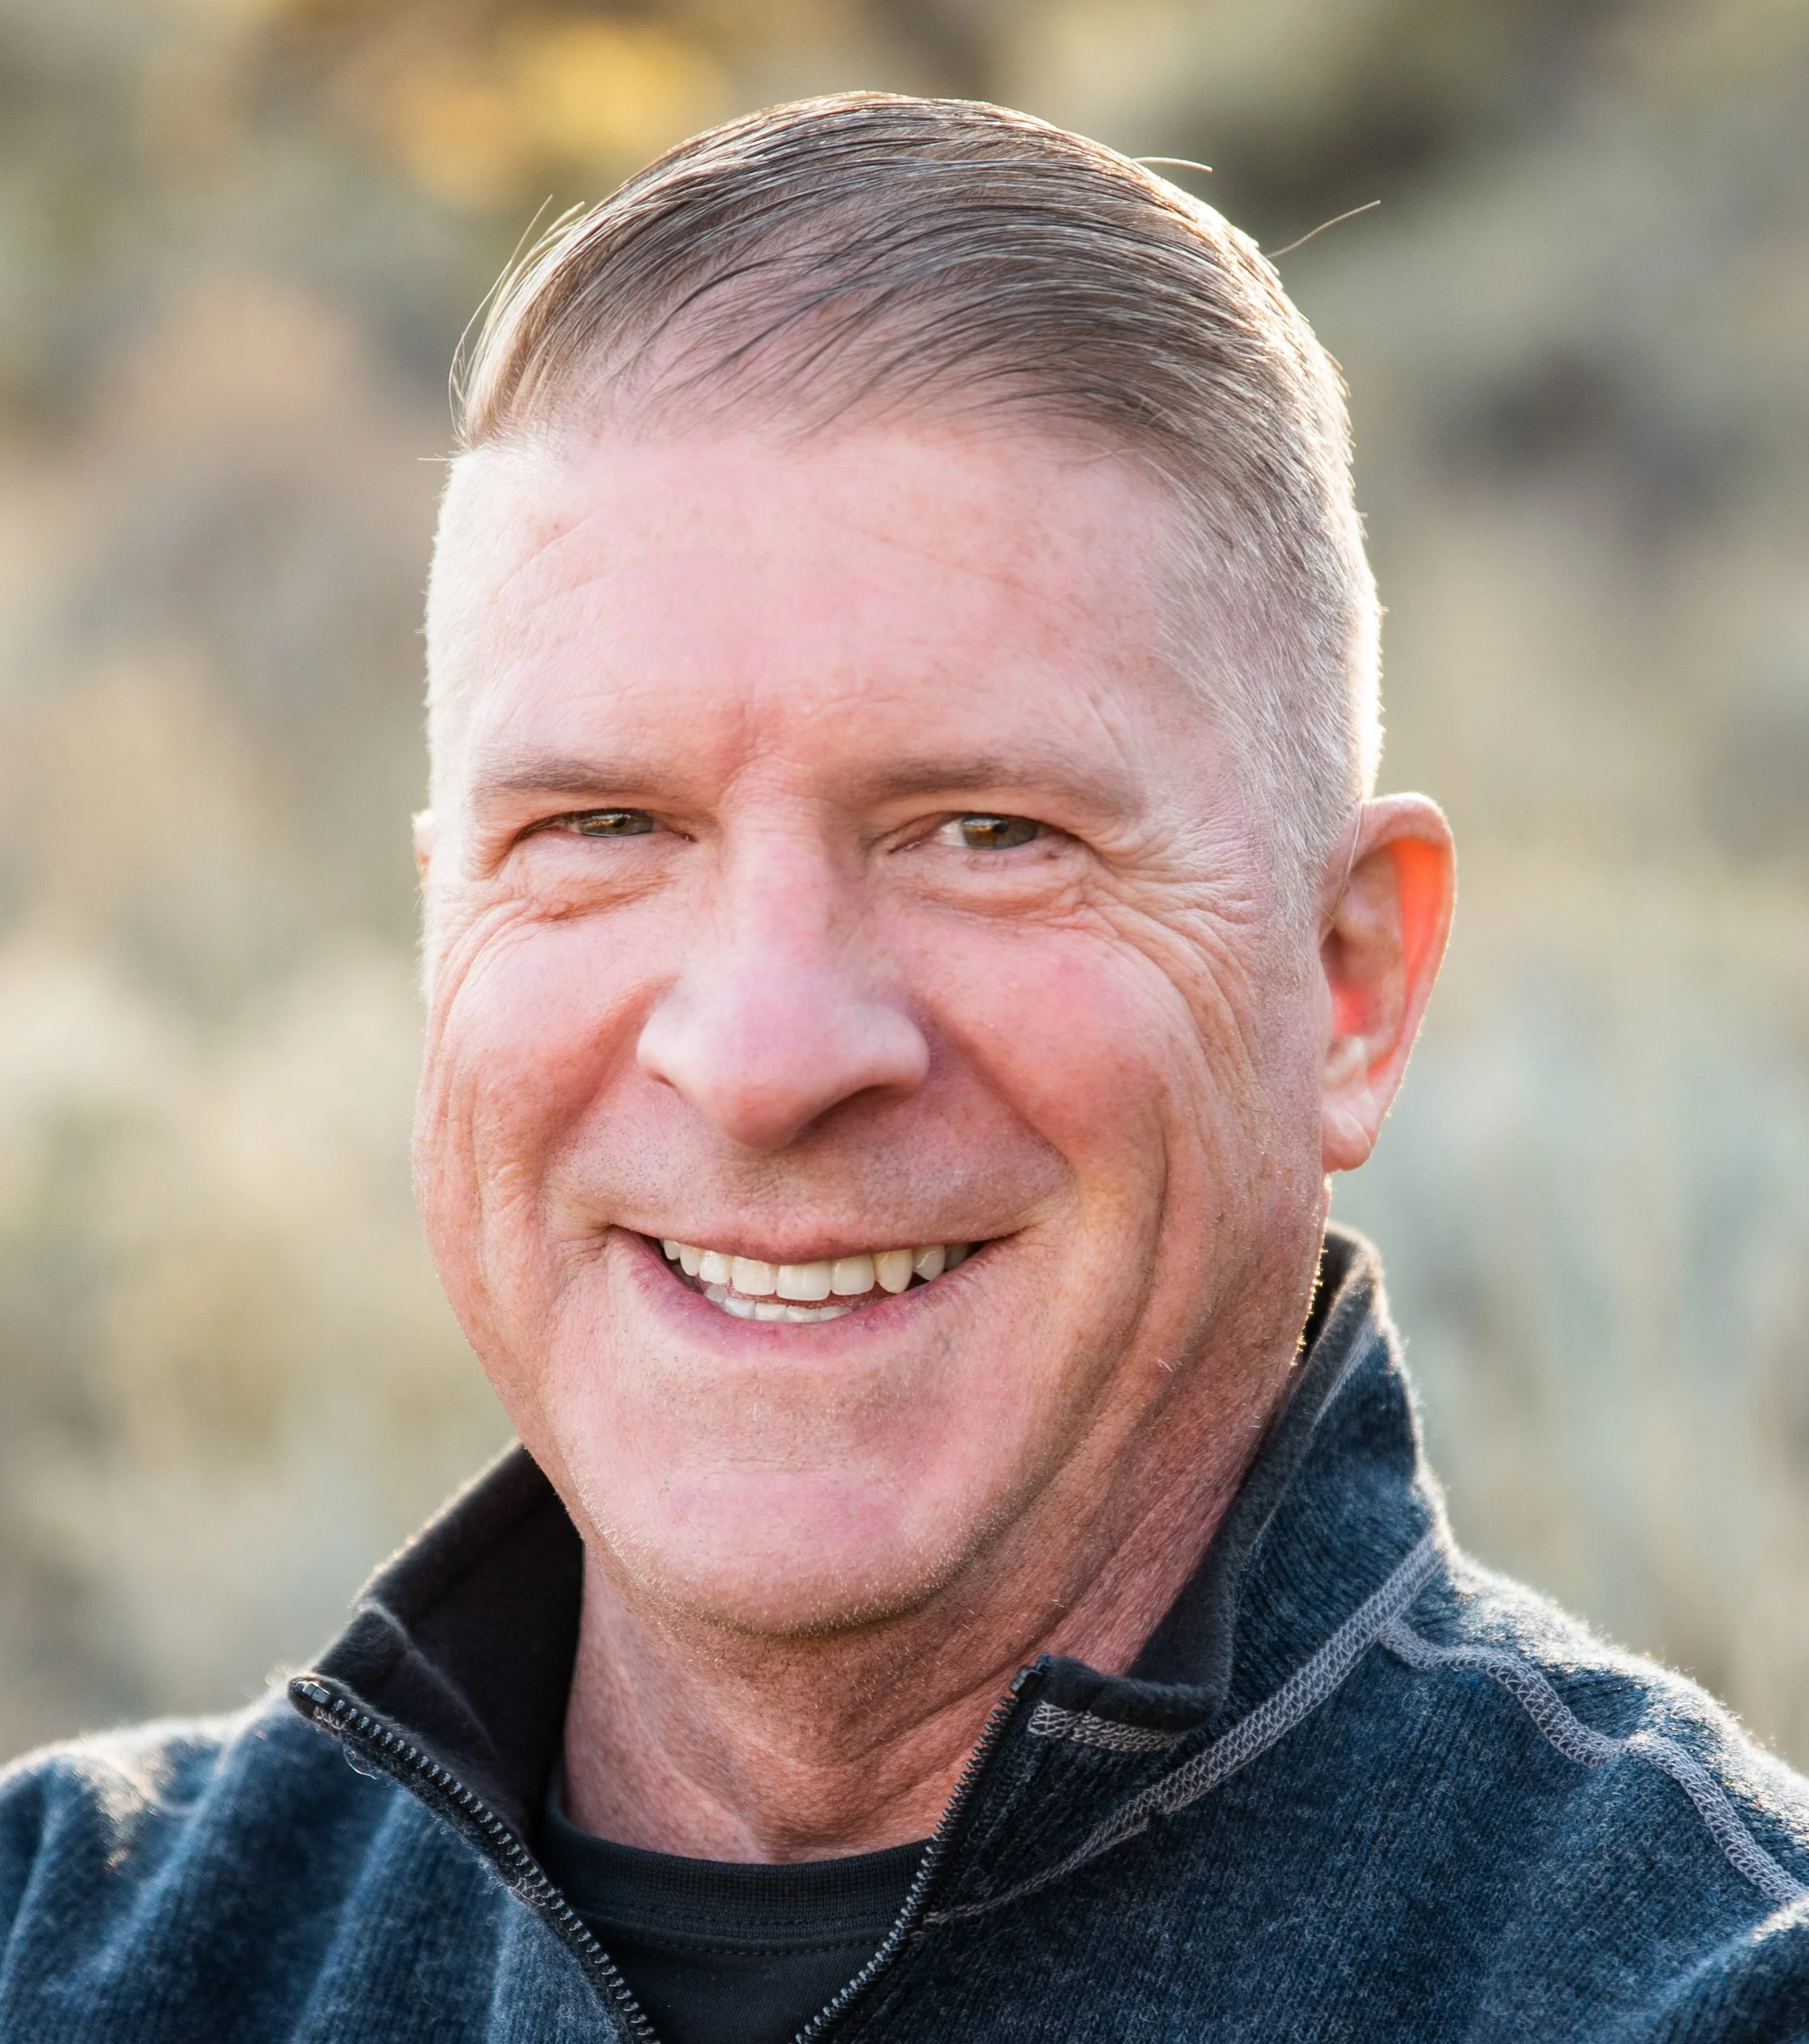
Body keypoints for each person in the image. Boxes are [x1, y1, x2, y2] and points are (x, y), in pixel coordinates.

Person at [3, 91, 1806, 2044]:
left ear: (1346, 982)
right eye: (602, 828)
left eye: (985, 831)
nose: (763, 1055)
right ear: (445, 934)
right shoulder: (57, 1954)